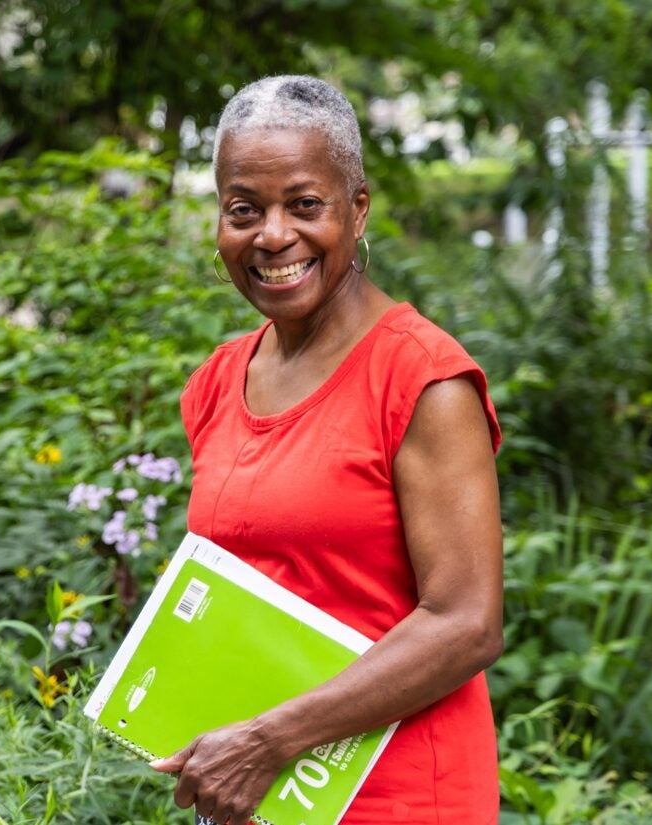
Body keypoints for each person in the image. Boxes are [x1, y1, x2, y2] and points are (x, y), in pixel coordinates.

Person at [148, 75, 505, 825]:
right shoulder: (217, 382)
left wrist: (268, 739)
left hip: (398, 797)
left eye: (305, 204)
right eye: (244, 209)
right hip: (262, 795)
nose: (273, 235)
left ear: (358, 208)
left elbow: (466, 622)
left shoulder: (422, 380)